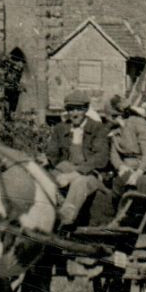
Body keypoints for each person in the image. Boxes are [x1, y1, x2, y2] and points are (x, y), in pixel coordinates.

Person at [51, 92, 112, 227]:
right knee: (47, 177)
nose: (75, 113)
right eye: (71, 109)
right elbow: (52, 155)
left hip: (91, 174)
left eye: (79, 109)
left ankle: (66, 216)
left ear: (85, 110)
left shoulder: (97, 128)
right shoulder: (60, 128)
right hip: (66, 170)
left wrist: (75, 174)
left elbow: (100, 158)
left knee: (80, 183)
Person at [110, 100, 146, 191]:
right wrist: (121, 167)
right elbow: (114, 154)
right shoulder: (115, 129)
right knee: (118, 183)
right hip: (126, 167)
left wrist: (138, 172)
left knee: (141, 183)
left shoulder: (139, 124)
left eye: (116, 115)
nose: (112, 119)